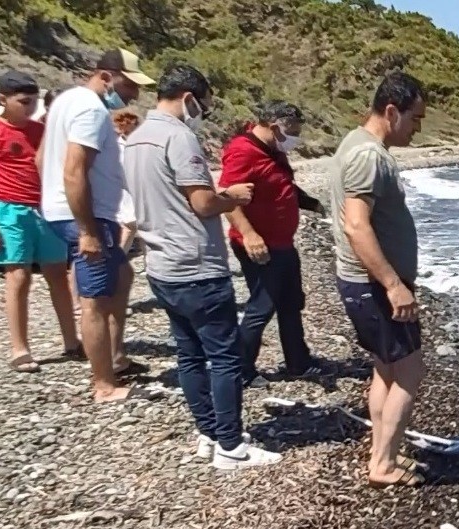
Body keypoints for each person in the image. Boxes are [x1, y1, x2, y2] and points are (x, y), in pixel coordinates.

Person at [123, 63, 282, 470]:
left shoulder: (137, 137)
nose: (203, 115)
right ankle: (230, 446)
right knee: (224, 356)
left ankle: (210, 433)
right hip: (196, 264)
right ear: (189, 99)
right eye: (205, 108)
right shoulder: (179, 137)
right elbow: (202, 203)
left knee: (189, 354)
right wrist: (233, 197)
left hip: (161, 263)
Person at [40, 48, 154, 402]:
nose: (133, 94)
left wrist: (49, 199)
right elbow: (74, 168)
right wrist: (87, 229)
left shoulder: (64, 100)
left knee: (122, 276)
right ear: (106, 76)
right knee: (95, 300)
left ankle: (115, 357)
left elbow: (41, 156)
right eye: (128, 84)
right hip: (87, 217)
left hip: (69, 210)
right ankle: (103, 384)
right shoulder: (90, 108)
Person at [331, 71, 428, 488]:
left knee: (386, 370)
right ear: (391, 111)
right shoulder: (368, 155)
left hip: (365, 284)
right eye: (415, 119)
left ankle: (381, 452)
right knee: (409, 372)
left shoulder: (357, 145)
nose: (418, 129)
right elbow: (356, 226)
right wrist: (393, 284)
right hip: (372, 286)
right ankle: (383, 464)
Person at [0, 70, 80, 371]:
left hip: (45, 209)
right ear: (3, 99)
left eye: (33, 102)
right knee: (18, 277)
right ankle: (19, 348)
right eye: (24, 102)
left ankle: (71, 340)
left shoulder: (40, 130)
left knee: (58, 274)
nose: (30, 108)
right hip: (9, 209)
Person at [218, 101, 326, 388]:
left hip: (283, 242)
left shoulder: (274, 151)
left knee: (291, 301)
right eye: (294, 132)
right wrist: (250, 234)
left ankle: (298, 361)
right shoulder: (243, 151)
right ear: (276, 127)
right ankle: (240, 368)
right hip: (259, 245)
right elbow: (228, 198)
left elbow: (283, 186)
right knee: (262, 306)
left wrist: (313, 204)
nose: (296, 138)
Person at [111, 109, 140, 253]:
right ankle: (117, 261)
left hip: (133, 190)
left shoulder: (134, 143)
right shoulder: (119, 147)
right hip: (127, 191)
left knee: (135, 228)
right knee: (130, 227)